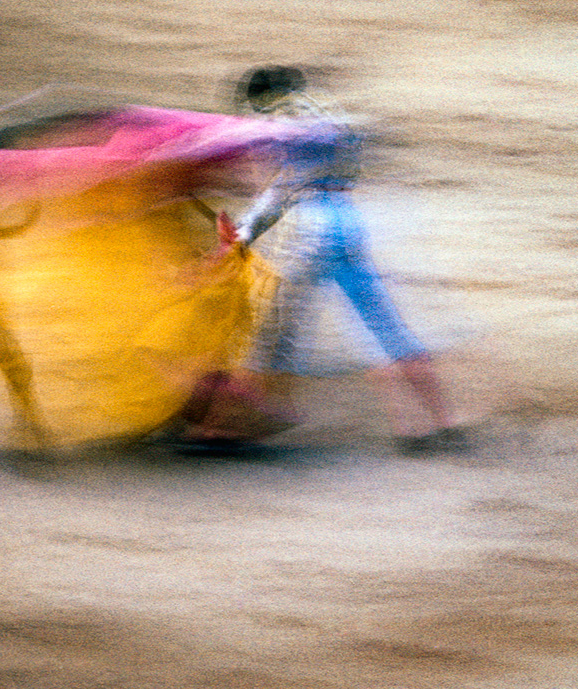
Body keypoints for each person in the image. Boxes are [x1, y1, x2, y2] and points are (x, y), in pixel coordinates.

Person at [199, 65, 466, 455]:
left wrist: (241, 233)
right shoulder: (332, 115)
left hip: (313, 228)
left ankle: (225, 428)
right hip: (348, 219)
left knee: (271, 329)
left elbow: (281, 190)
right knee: (386, 327)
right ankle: (443, 423)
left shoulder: (279, 119)